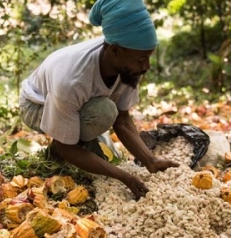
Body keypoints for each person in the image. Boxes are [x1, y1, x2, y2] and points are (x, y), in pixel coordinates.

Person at [19, 0, 179, 200]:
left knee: (107, 112)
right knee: (103, 112)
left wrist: (150, 160)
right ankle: (59, 152)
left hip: (76, 101)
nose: (146, 66)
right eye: (141, 59)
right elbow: (66, 146)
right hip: (36, 105)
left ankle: (81, 140)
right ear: (114, 51)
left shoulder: (129, 63)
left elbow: (122, 118)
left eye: (148, 57)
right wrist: (122, 176)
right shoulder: (72, 80)